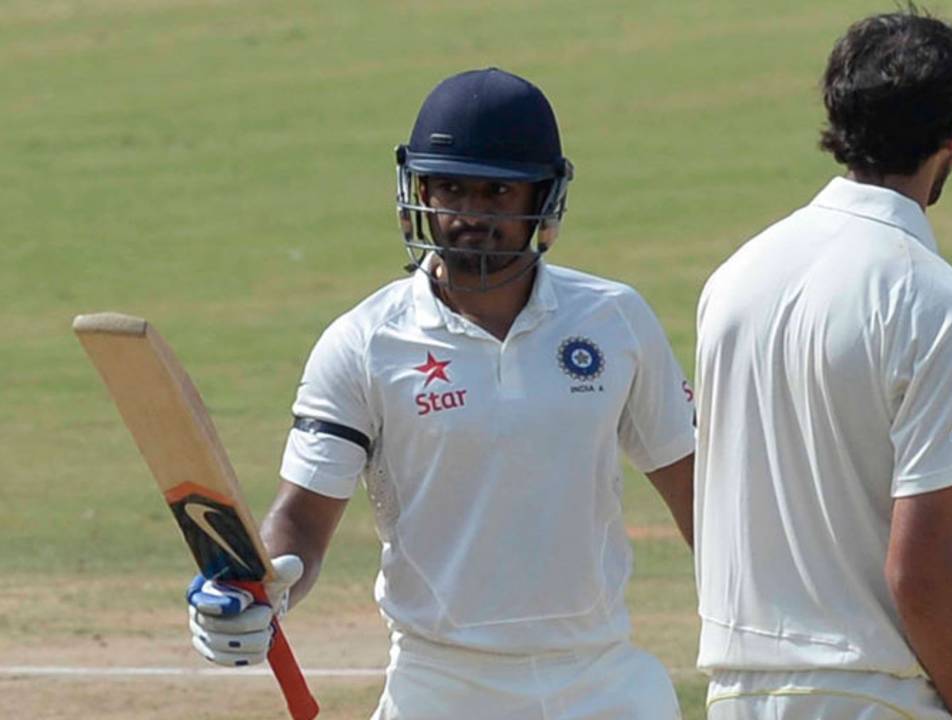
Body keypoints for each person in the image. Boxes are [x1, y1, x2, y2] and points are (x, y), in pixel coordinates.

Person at [184, 67, 696, 719]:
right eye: (451, 188)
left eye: (497, 192)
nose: (470, 216)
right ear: (417, 189)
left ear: (542, 197)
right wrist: (264, 584)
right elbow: (304, 519)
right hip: (440, 684)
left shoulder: (613, 320)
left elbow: (698, 498)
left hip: (600, 679)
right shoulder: (366, 342)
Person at [693, 10, 952, 720]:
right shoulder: (940, 303)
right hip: (869, 695)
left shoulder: (735, 278)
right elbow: (920, 575)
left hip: (735, 693)